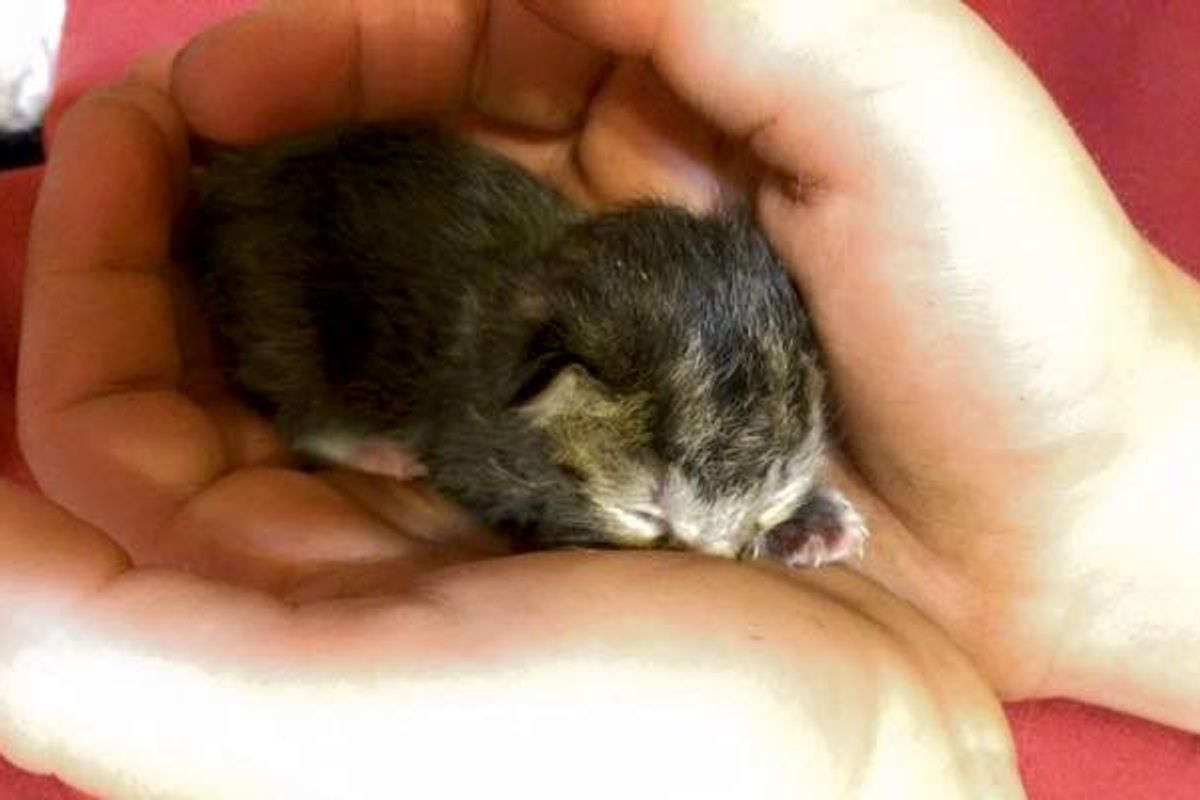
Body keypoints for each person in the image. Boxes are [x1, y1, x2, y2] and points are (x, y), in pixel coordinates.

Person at [4, 0, 1199, 796]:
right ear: (556, 393)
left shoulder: (734, 373)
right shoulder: (518, 412)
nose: (715, 551)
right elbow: (498, 471)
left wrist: (1112, 487)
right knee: (293, 351)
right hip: (308, 277)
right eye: (678, 506)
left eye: (755, 498)